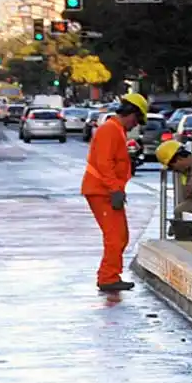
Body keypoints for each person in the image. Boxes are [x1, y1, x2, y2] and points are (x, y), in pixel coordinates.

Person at [81, 92, 148, 292]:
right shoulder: (110, 130)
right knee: (115, 236)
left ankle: (110, 275)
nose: (136, 124)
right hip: (102, 191)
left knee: (120, 235)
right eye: (137, 119)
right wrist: (115, 189)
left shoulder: (116, 129)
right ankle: (108, 277)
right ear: (130, 113)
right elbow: (104, 163)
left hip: (106, 190)